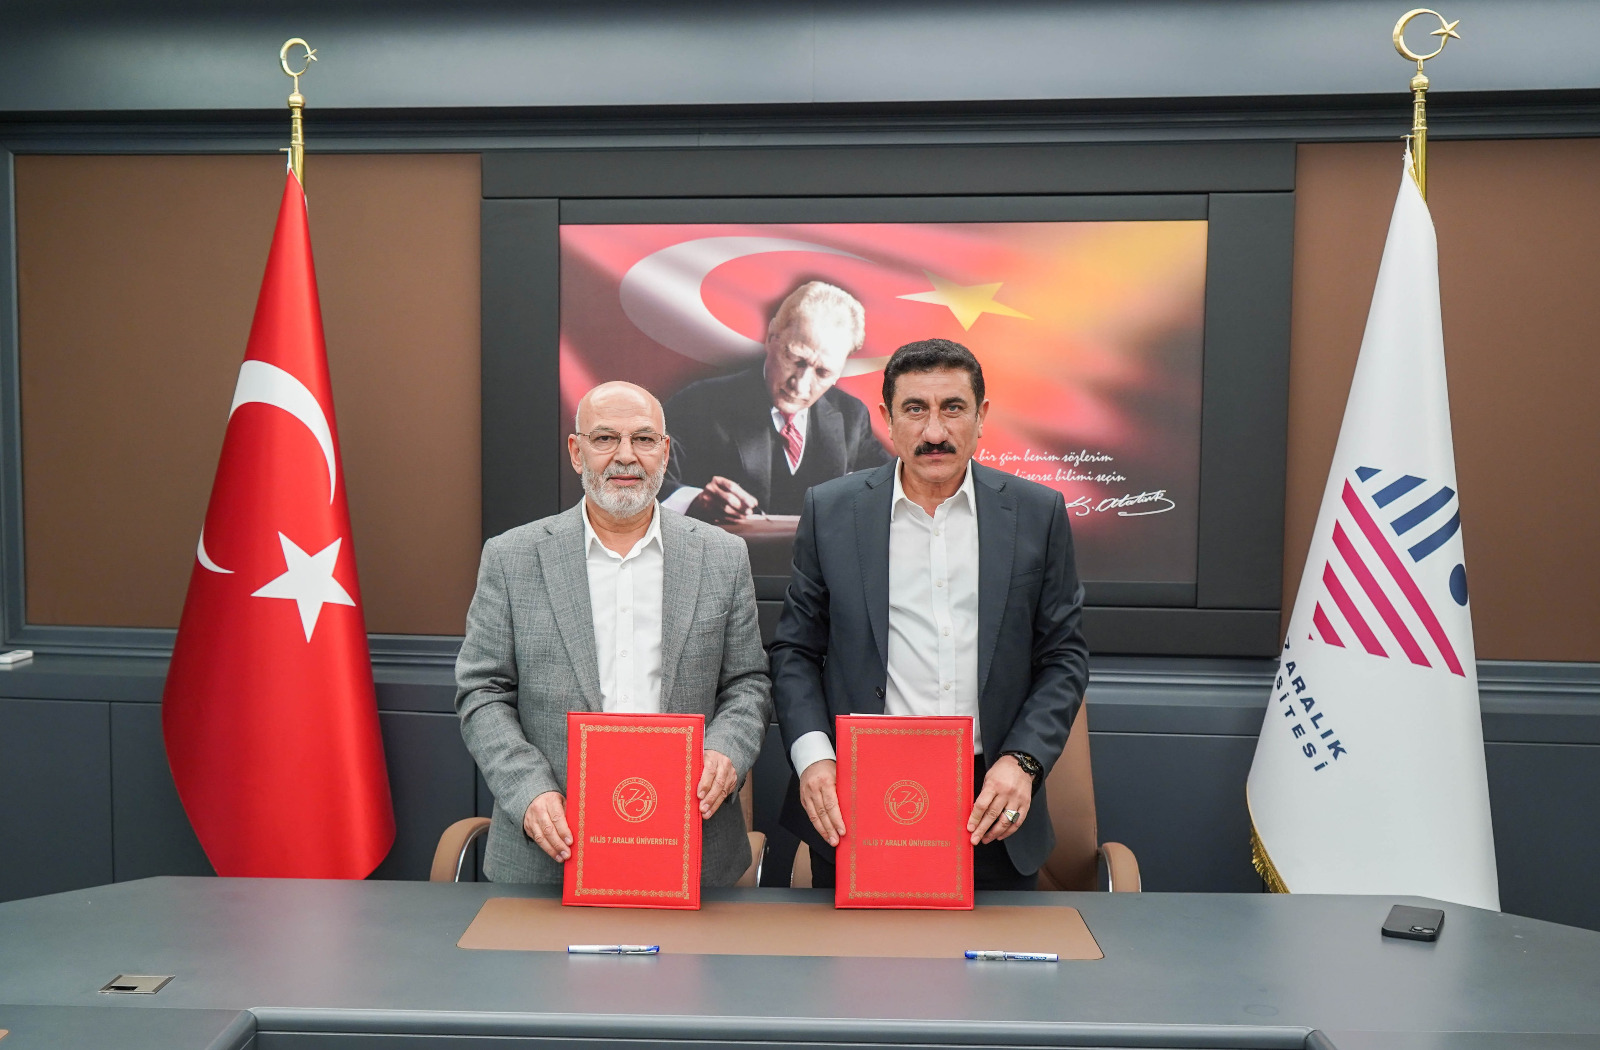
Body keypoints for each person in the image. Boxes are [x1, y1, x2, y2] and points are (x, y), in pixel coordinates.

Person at [770, 339, 1090, 890]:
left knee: (993, 951)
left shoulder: (1037, 513)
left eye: (953, 408)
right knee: (858, 951)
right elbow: (795, 651)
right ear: (887, 419)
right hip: (857, 795)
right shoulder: (831, 510)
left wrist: (1024, 762)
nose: (935, 432)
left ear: (981, 417)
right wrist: (814, 758)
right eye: (915, 409)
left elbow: (1063, 658)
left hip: (991, 802)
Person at [455, 381, 773, 886]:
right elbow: (482, 691)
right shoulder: (512, 557)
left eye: (643, 439)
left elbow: (748, 683)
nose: (626, 456)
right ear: (576, 452)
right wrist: (528, 791)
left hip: (692, 849)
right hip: (549, 852)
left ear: (664, 452)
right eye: (605, 438)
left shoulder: (721, 556)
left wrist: (726, 752)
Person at [661, 281, 891, 521]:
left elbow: (898, 487)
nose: (800, 385)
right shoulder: (700, 403)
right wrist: (694, 502)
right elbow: (642, 479)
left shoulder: (851, 416)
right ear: (771, 336)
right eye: (795, 358)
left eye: (823, 373)